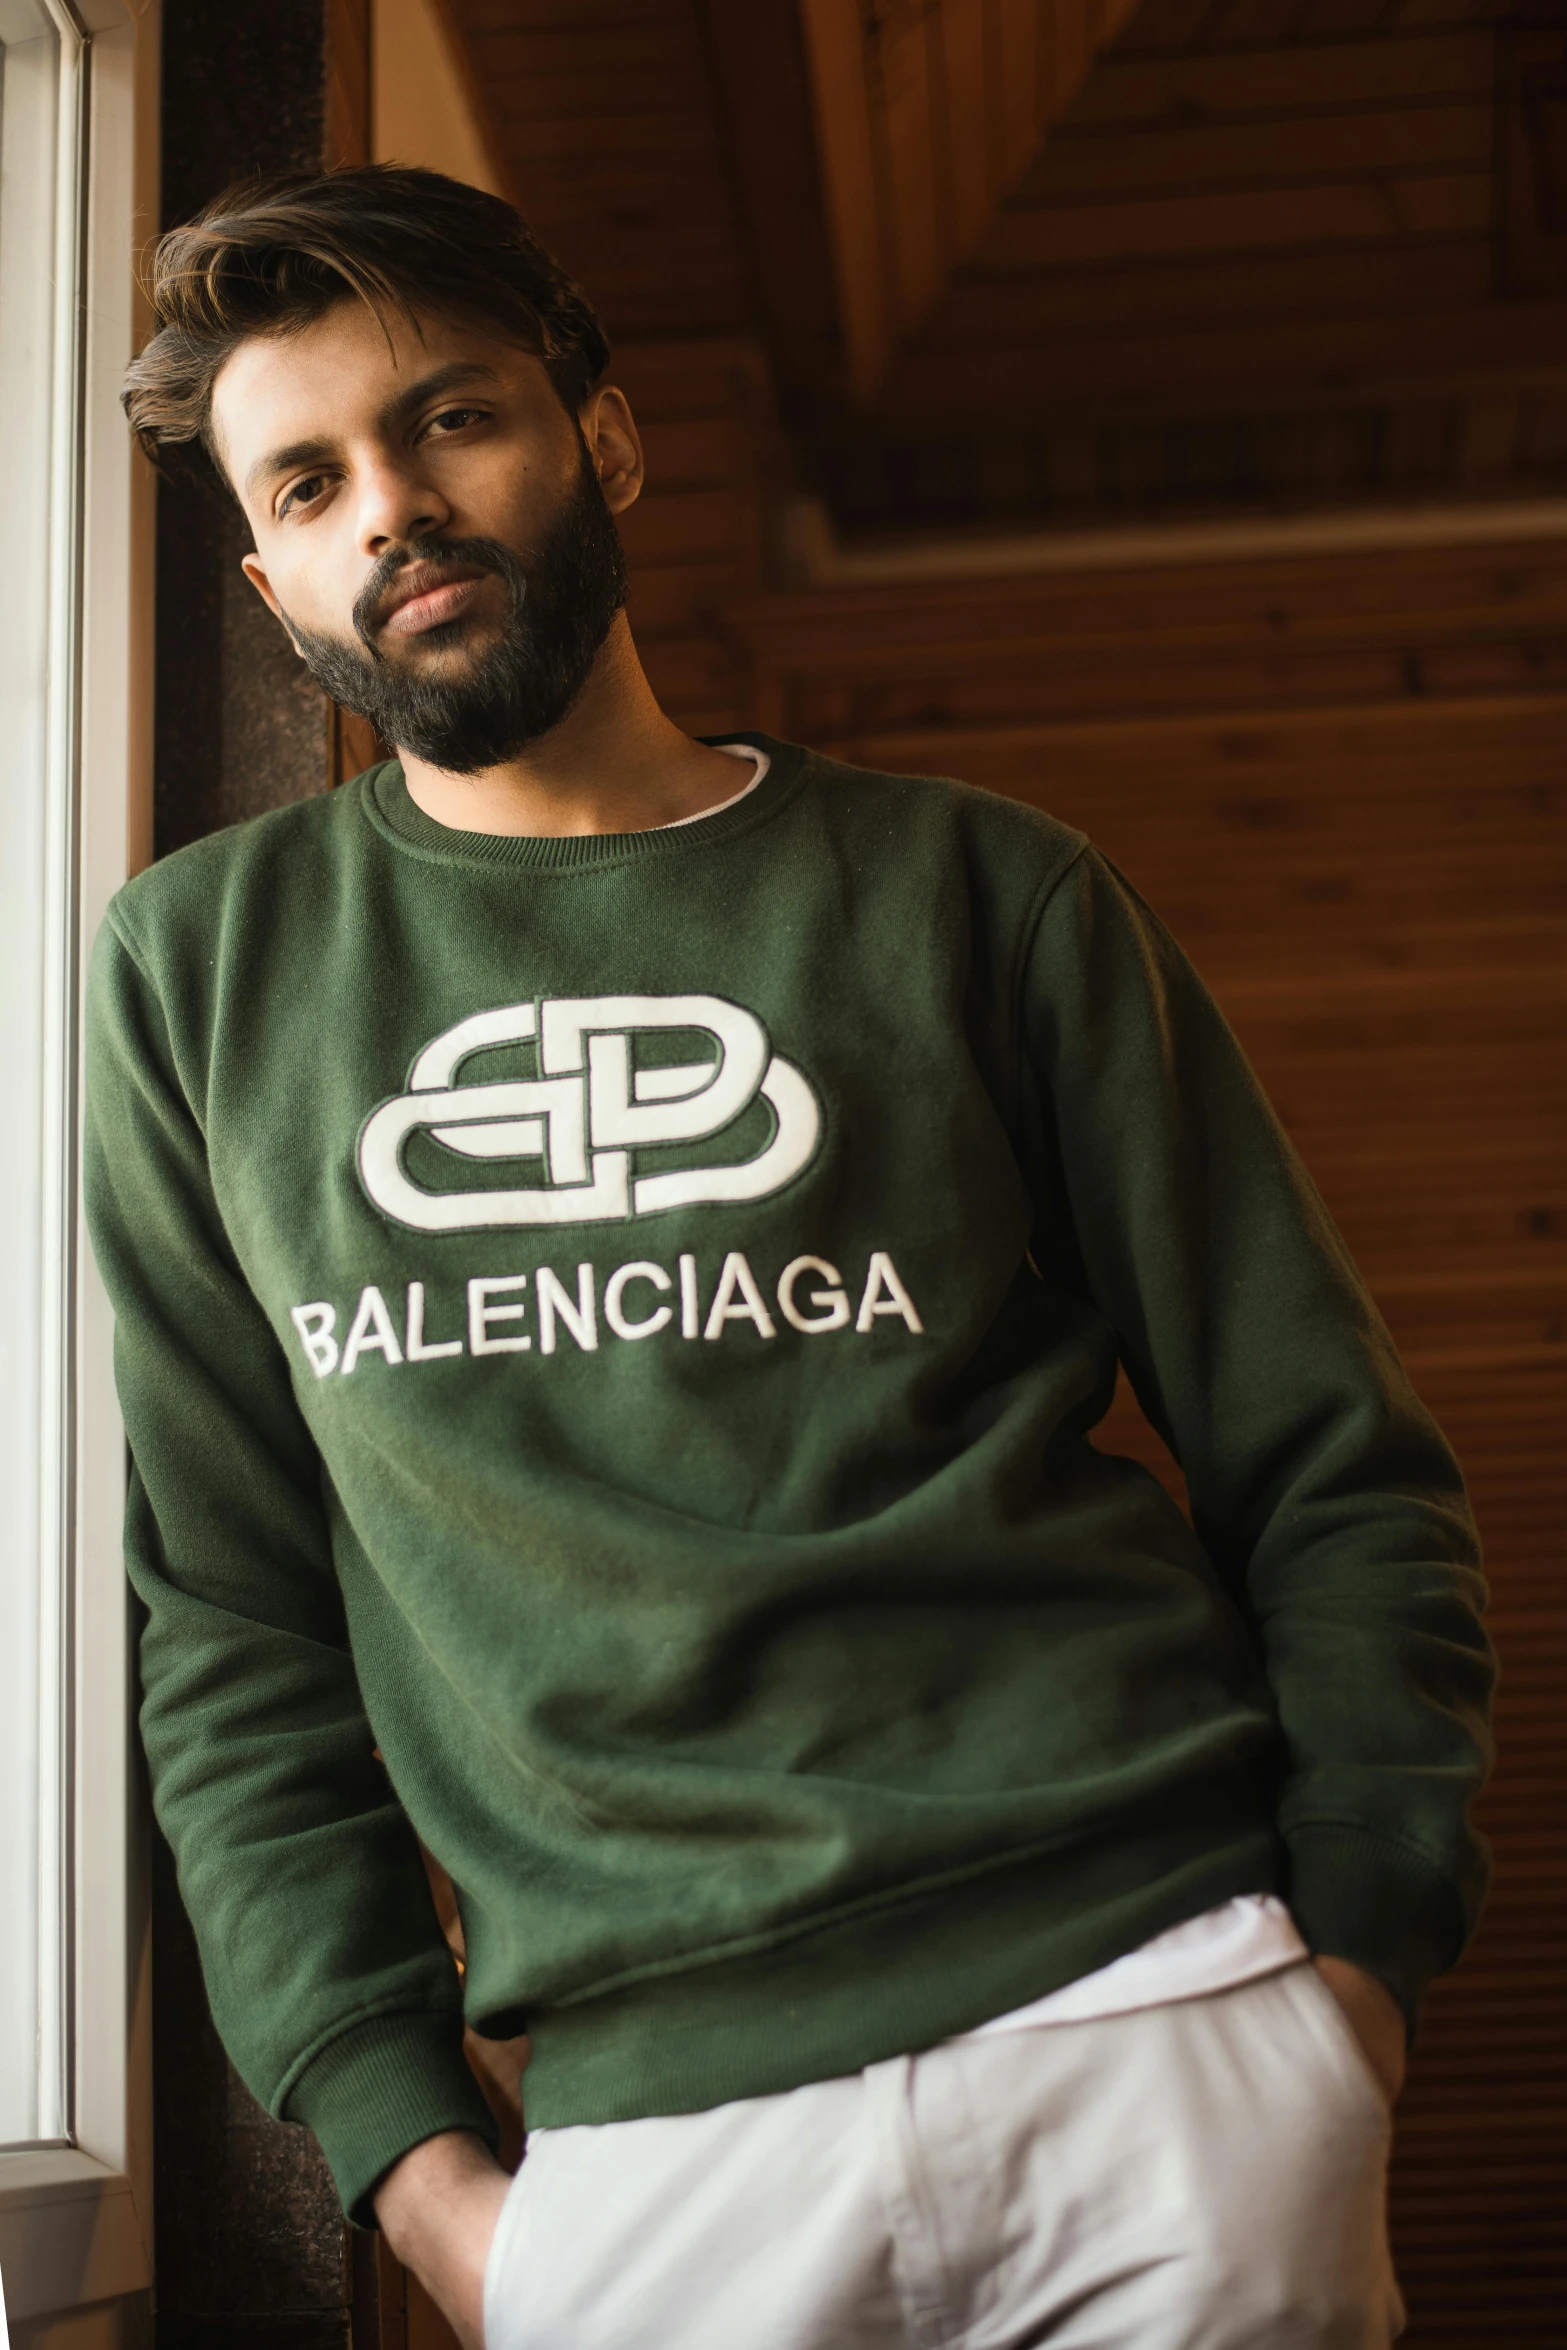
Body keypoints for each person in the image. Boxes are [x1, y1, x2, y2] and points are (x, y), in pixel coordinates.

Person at [90, 166, 1494, 2350]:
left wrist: (1357, 1975)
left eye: (450, 420)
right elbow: (229, 1619)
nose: (396, 507)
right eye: (315, 477)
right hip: (644, 2149)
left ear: (604, 439)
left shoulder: (985, 893)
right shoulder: (197, 978)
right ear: (270, 576)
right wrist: (422, 2171)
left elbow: (1330, 1452)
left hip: (1152, 2022)